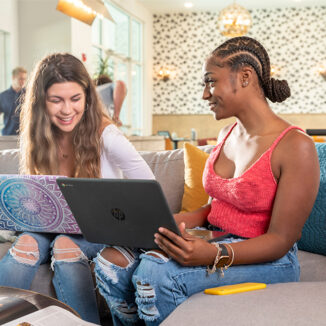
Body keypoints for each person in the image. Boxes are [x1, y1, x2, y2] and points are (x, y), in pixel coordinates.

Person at [93, 36, 320, 325]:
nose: (204, 94)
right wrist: (164, 223)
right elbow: (214, 210)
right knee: (111, 259)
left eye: (210, 81)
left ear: (245, 77)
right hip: (216, 236)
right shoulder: (226, 135)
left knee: (154, 271)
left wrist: (213, 254)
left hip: (272, 259)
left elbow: (280, 241)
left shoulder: (296, 145)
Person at [0, 53, 154, 324]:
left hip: (96, 230)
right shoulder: (37, 134)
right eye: (56, 100)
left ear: (87, 98)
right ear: (41, 101)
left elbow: (148, 189)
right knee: (25, 243)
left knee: (65, 245)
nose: (67, 110)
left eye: (75, 99)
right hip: (49, 225)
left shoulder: (106, 134)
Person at [0, 67, 27, 135]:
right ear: (13, 78)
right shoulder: (3, 96)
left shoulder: (30, 95)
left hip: (26, 137)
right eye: (20, 79)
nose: (23, 82)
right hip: (8, 135)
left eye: (24, 79)